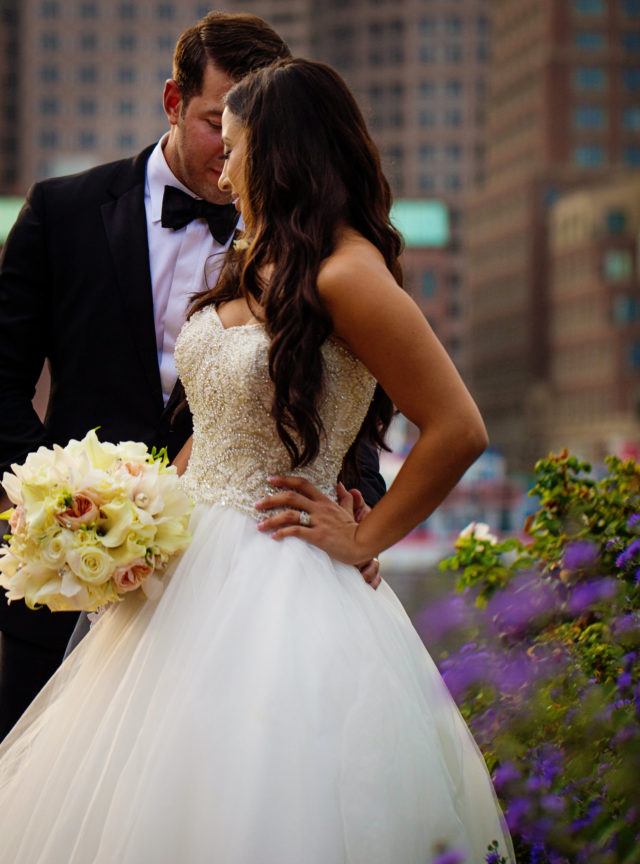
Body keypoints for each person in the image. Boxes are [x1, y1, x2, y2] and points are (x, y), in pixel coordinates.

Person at [0, 58, 517, 864]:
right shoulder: (255, 257)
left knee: (262, 820)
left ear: (277, 151)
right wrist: (131, 518)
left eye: (233, 149)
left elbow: (457, 426)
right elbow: (215, 419)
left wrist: (366, 533)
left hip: (282, 580)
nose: (222, 169)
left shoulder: (350, 273)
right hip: (185, 570)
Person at [0, 13, 385, 740]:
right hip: (62, 581)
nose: (230, 158)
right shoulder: (63, 213)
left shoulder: (307, 245)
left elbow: (346, 388)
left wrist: (359, 511)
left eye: (249, 136)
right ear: (173, 103)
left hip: (255, 593)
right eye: (219, 124)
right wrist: (47, 506)